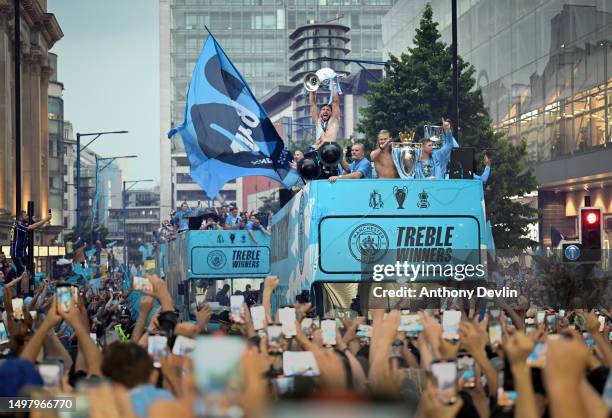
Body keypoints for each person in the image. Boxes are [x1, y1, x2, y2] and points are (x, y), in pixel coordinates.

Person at [10, 210, 51, 276]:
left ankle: (30, 282)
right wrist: (46, 218)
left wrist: (40, 222)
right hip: (17, 254)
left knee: (31, 265)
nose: (27, 217)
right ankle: (22, 284)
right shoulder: (18, 224)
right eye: (25, 216)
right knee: (23, 272)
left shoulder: (22, 224)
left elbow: (35, 227)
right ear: (20, 217)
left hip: (22, 253)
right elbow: (32, 227)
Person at [309, 84, 340, 149]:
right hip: (319, 152)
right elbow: (312, 104)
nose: (325, 111)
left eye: (328, 110)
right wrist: (312, 87)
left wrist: (334, 83)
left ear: (331, 113)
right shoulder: (318, 121)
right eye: (323, 109)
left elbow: (335, 102)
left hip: (331, 151)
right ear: (320, 113)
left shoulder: (334, 121)